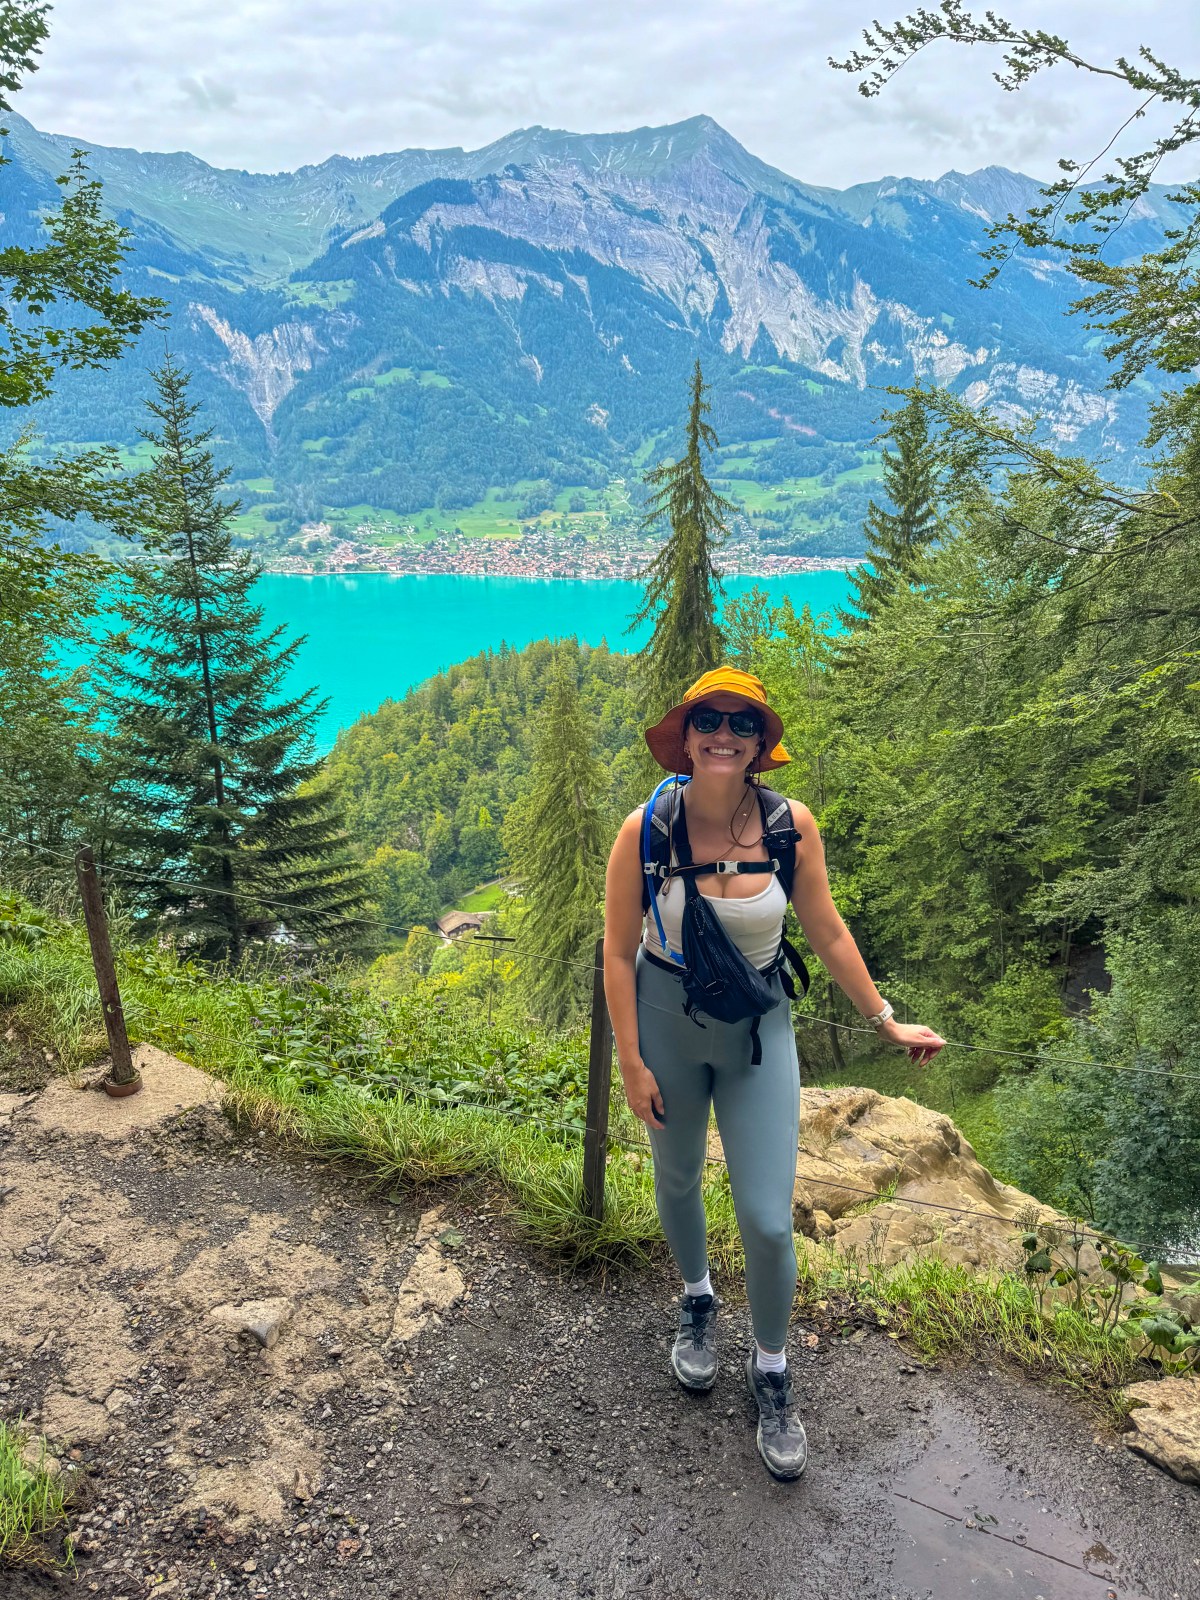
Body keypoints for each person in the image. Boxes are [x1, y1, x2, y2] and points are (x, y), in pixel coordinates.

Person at [603, 667, 945, 1480]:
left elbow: (826, 930)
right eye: (709, 721)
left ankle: (771, 1366)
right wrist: (630, 1060)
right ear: (685, 738)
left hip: (758, 1034)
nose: (725, 734)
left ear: (761, 744)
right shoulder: (645, 832)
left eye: (743, 723)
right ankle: (697, 1299)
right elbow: (616, 953)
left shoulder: (791, 827)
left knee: (766, 1219)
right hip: (664, 1025)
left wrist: (886, 1020)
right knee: (678, 1177)